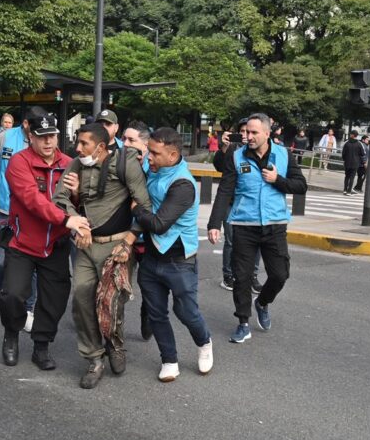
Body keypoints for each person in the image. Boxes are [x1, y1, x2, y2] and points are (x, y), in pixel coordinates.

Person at [54, 123, 151, 389]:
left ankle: (115, 345)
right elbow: (58, 198)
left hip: (117, 246)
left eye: (84, 143)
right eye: (77, 142)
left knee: (112, 302)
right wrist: (77, 221)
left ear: (100, 146)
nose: (77, 148)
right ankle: (94, 358)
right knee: (82, 297)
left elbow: (144, 204)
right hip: (86, 245)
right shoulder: (76, 164)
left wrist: (129, 241)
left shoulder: (124, 163)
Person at [0, 112, 90, 371]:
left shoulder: (71, 163)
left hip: (56, 245)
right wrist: (65, 220)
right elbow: (32, 200)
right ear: (30, 137)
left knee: (54, 299)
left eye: (53, 136)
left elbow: (84, 202)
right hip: (23, 242)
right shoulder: (19, 162)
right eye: (42, 137)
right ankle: (11, 334)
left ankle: (41, 346)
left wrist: (76, 193)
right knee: (13, 295)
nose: (49, 142)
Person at [207, 113, 308, 344]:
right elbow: (224, 190)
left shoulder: (284, 155)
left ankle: (262, 302)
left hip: (275, 224)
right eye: (246, 132)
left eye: (253, 133)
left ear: (267, 133)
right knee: (241, 277)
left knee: (280, 274)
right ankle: (243, 322)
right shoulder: (236, 156)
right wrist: (214, 224)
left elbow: (301, 185)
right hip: (244, 224)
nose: (248, 137)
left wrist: (278, 180)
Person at [132, 128, 212, 382]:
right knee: (156, 313)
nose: (150, 158)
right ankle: (169, 360)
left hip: (179, 260)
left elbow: (159, 224)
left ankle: (204, 343)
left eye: (155, 154)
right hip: (151, 258)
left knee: (186, 312)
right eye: (149, 152)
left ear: (173, 154)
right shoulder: (152, 167)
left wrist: (135, 209)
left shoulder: (183, 184)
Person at [0, 110, 33, 318]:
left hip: (30, 212)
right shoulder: (5, 138)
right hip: (4, 210)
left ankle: (29, 308)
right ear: (25, 123)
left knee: (31, 262)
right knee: (1, 259)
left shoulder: (41, 140)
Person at [215, 121, 262, 293]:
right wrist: (224, 147)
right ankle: (228, 275)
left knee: (256, 241)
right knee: (231, 240)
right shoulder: (233, 150)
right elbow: (218, 166)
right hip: (231, 202)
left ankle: (253, 276)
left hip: (250, 203)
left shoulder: (258, 150)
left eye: (248, 131)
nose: (245, 135)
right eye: (241, 131)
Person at [122, 120, 153, 341]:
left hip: (151, 237)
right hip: (125, 238)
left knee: (151, 288)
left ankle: (147, 314)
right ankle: (114, 333)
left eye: (131, 140)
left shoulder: (156, 167)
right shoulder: (119, 164)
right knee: (120, 288)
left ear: (146, 144)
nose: (126, 144)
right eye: (124, 139)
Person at [341, 130, 365, 196]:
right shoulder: (359, 144)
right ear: (356, 135)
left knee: (347, 176)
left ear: (352, 135)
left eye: (350, 134)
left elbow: (343, 154)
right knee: (352, 177)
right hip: (355, 163)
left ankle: (345, 190)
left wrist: (345, 160)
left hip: (347, 162)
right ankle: (349, 191)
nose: (349, 135)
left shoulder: (346, 143)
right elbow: (362, 153)